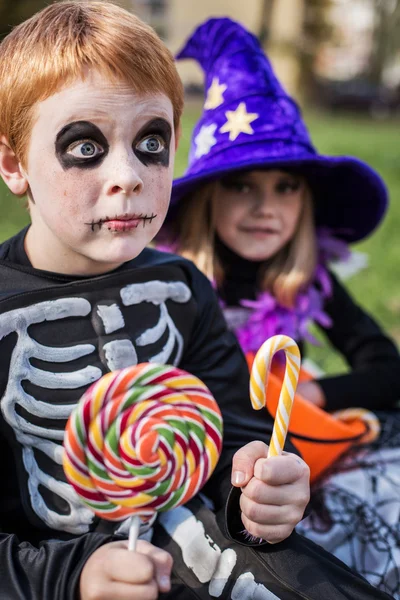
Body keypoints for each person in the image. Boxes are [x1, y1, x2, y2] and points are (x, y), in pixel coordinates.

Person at [0, 4, 394, 600]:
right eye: (85, 146)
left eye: (151, 141)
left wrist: (256, 495)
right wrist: (71, 577)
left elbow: (234, 437)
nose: (128, 174)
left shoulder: (185, 289)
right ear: (13, 163)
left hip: (197, 543)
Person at [157, 16, 400, 598]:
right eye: (242, 185)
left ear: (306, 201)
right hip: (218, 471)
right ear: (206, 197)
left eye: (286, 186)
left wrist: (313, 395)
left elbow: (387, 367)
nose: (265, 207)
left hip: (301, 455)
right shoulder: (176, 286)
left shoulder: (308, 280)